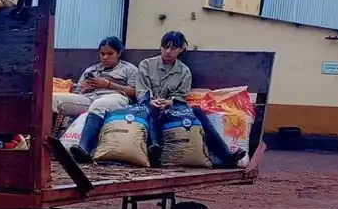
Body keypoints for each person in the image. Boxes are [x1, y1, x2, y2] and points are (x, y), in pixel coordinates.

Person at [74, 31, 244, 166]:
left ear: (181, 50)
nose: (168, 52)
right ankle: (153, 146)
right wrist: (151, 100)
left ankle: (226, 155)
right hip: (146, 106)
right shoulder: (147, 65)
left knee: (198, 112)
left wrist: (171, 102)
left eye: (173, 48)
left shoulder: (184, 71)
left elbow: (181, 95)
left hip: (172, 109)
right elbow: (141, 90)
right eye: (165, 47)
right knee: (152, 107)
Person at [54, 36, 138, 121]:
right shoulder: (91, 69)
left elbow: (135, 92)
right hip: (89, 99)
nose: (105, 57)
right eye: (102, 54)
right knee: (53, 99)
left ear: (119, 53)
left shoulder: (129, 69)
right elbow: (77, 93)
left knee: (98, 105)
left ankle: (87, 133)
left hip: (113, 98)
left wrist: (108, 85)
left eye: (110, 53)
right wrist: (84, 89)